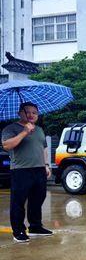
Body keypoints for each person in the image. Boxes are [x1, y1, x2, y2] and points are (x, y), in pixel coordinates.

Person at [1, 102, 53, 243]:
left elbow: (44, 148)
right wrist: (24, 132)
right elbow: (6, 145)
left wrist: (46, 165)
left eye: (34, 113)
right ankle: (18, 231)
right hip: (21, 170)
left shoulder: (39, 130)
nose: (31, 115)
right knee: (18, 202)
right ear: (20, 113)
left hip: (39, 169)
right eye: (27, 112)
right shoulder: (11, 128)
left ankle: (36, 227)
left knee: (37, 199)